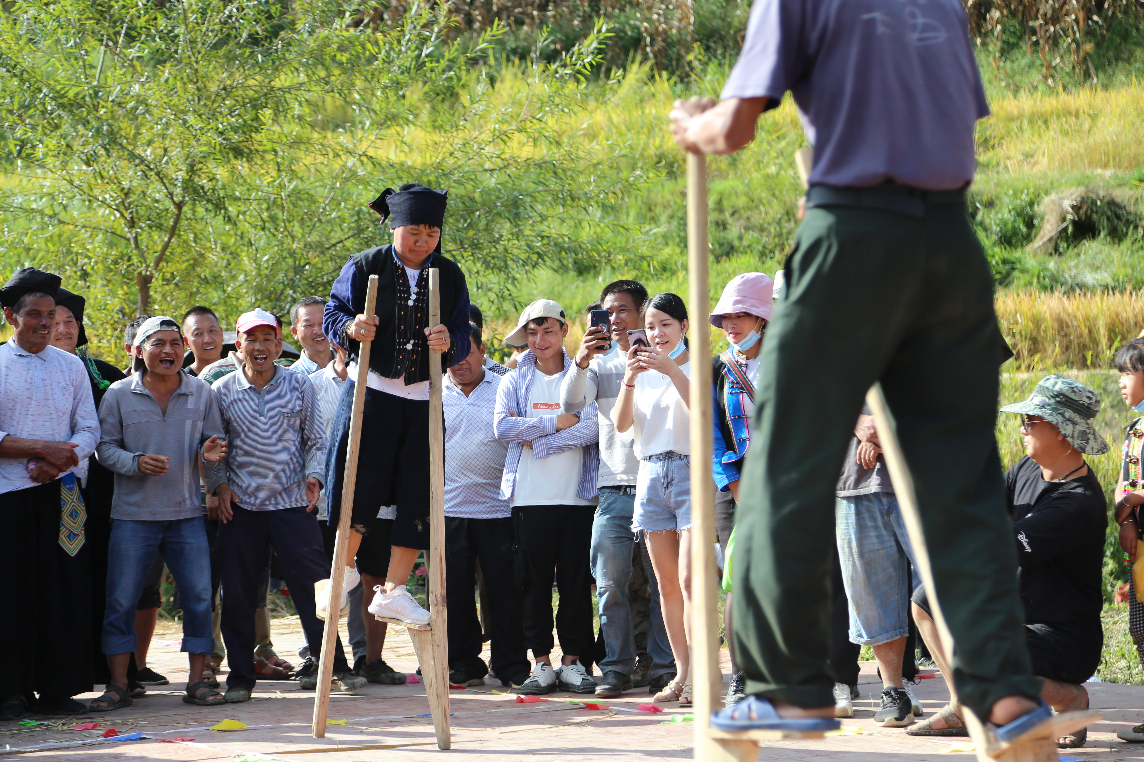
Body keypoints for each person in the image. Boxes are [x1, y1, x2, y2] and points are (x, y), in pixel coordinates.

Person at [673, 0, 1062, 742]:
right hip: (951, 243)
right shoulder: (941, 4)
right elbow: (951, 121)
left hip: (853, 230)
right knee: (962, 480)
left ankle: (786, 684)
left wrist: (695, 125)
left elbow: (738, 125)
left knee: (784, 456)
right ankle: (1006, 695)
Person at [907, 376, 1107, 749]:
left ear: (1061, 430)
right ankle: (963, 706)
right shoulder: (1027, 469)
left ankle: (1070, 699)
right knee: (926, 600)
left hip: (1061, 637)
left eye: (1031, 421)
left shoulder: (1078, 503)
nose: (1022, 428)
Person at [322, 183, 471, 628]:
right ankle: (340, 573)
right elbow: (332, 314)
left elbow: (462, 331)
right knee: (359, 487)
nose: (423, 242)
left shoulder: (450, 274)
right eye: (413, 232)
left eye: (431, 233)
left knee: (418, 496)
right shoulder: (365, 264)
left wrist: (451, 341)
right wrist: (351, 326)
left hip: (423, 398)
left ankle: (394, 590)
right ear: (393, 228)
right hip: (373, 392)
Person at [207, 308, 362, 702]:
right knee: (239, 597)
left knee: (316, 593)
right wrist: (220, 485)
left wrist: (315, 476)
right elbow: (212, 448)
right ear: (238, 346)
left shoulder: (298, 385)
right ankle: (240, 678)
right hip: (241, 509)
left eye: (267, 340)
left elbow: (315, 440)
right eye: (251, 340)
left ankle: (334, 667)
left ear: (279, 344)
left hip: (293, 504)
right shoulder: (221, 390)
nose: (260, 347)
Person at [91, 316, 229, 711]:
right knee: (120, 600)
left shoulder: (201, 392)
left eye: (174, 343)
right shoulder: (118, 393)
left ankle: (198, 682)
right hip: (133, 515)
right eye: (158, 344)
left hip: (187, 514)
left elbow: (214, 444)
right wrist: (135, 462)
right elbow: (103, 448)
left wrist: (213, 469)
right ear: (138, 350)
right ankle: (119, 685)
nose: (168, 350)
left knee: (200, 598)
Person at [561, 280, 675, 698]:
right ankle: (617, 668)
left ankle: (665, 666)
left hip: (660, 482)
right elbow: (571, 403)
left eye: (623, 310)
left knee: (665, 584)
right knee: (610, 583)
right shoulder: (601, 363)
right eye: (608, 312)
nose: (614, 319)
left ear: (641, 311)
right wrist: (581, 358)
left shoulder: (662, 359)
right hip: (613, 489)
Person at [0, 267, 100, 719]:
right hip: (9, 495)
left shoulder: (72, 365)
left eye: (50, 315)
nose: (45, 323)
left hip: (64, 495)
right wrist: (40, 449)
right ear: (10, 316)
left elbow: (89, 427)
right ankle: (10, 692)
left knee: (64, 590)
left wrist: (59, 460)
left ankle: (60, 688)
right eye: (35, 315)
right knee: (12, 591)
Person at [494, 299, 600, 695]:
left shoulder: (584, 375)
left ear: (564, 331)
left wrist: (537, 442)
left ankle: (573, 662)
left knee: (575, 583)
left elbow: (591, 428)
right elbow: (503, 428)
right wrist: (555, 422)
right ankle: (541, 662)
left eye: (548, 331)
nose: (540, 340)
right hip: (528, 497)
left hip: (577, 497)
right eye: (532, 333)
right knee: (532, 584)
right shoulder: (513, 380)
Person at [49, 288, 135, 694]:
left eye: (71, 322)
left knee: (103, 583)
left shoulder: (106, 375)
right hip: (37, 493)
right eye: (55, 320)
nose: (63, 329)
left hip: (100, 501)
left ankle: (109, 672)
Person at [307, 341, 404, 685]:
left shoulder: (392, 383)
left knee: (375, 581)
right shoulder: (313, 385)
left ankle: (371, 660)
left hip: (381, 506)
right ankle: (332, 661)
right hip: (330, 506)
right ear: (339, 342)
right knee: (333, 581)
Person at [612, 293, 694, 706]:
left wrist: (671, 369)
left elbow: (704, 413)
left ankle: (700, 675)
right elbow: (623, 424)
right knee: (666, 586)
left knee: (690, 580)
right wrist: (630, 378)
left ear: (683, 326)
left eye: (665, 324)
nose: (657, 333)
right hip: (649, 475)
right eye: (650, 326)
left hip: (690, 470)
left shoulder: (701, 366)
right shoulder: (641, 371)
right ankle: (682, 674)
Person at [444, 322, 529, 689]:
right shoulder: (432, 391)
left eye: (467, 351)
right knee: (455, 593)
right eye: (451, 354)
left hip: (500, 508)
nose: (460, 361)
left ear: (482, 351)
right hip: (449, 509)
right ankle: (463, 663)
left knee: (505, 591)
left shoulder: (505, 387)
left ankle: (511, 664)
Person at [834, 410, 923, 726]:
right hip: (854, 481)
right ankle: (893, 691)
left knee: (947, 590)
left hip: (924, 478)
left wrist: (890, 428)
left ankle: (968, 693)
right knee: (872, 598)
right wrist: (857, 422)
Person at [709, 273, 772, 706]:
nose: (732, 325)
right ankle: (742, 675)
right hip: (734, 483)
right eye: (726, 317)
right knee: (738, 580)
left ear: (763, 318)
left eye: (742, 315)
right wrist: (735, 486)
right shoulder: (718, 368)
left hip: (786, 482)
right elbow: (712, 435)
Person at [1110, 340, 1144, 744]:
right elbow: (1126, 485)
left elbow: (1133, 491)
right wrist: (1126, 517)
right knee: (1140, 628)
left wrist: (1132, 501)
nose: (1121, 382)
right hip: (1141, 541)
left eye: (1128, 373)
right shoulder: (1136, 427)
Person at [289, 297, 334, 376]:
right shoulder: (291, 379)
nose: (318, 331)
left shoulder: (354, 365)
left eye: (323, 323)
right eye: (308, 325)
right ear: (295, 332)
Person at [182, 306, 224, 377]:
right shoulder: (183, 383)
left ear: (222, 334)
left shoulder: (239, 372)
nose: (208, 340)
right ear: (186, 342)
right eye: (198, 333)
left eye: (212, 331)